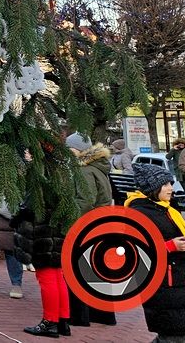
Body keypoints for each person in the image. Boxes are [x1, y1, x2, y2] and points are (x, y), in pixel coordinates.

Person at [125, 163, 185, 343]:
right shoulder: (139, 213)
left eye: (170, 183)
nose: (170, 188)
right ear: (152, 188)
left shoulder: (164, 208)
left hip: (179, 283)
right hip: (164, 285)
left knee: (178, 335)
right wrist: (170, 246)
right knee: (174, 337)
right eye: (165, 184)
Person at [65, 132, 117, 327]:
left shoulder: (85, 171)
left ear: (78, 150)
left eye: (69, 148)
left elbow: (85, 200)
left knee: (79, 271)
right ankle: (103, 314)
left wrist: (69, 218)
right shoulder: (98, 168)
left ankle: (80, 315)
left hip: (86, 225)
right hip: (99, 225)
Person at [14, 188, 71, 337]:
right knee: (58, 276)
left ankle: (50, 321)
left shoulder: (40, 175)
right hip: (57, 231)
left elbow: (31, 207)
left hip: (43, 233)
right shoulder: (63, 173)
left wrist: (18, 217)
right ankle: (63, 321)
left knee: (47, 277)